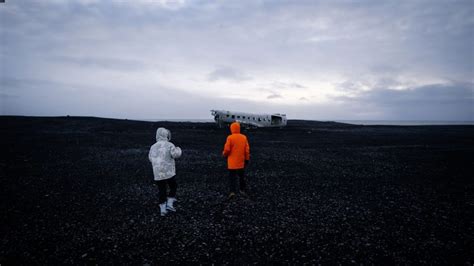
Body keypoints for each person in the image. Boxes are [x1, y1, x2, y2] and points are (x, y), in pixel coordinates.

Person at [148, 127, 182, 216]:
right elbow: (175, 155)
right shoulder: (169, 144)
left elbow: (150, 158)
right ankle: (170, 204)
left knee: (162, 189)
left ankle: (163, 209)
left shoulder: (153, 146)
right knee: (173, 186)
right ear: (166, 135)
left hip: (157, 173)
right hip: (169, 172)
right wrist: (179, 149)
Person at [222, 122, 250, 198]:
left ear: (231, 129)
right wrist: (247, 159)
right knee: (241, 176)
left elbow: (227, 149)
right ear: (239, 128)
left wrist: (224, 154)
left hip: (232, 162)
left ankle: (232, 192)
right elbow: (247, 150)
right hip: (241, 161)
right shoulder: (244, 137)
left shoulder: (230, 137)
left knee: (232, 177)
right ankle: (242, 190)